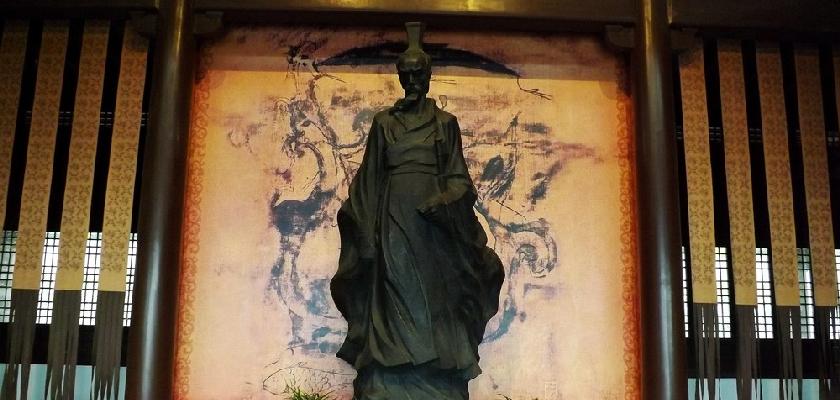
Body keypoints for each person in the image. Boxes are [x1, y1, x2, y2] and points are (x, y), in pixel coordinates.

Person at [330, 22, 505, 400]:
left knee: (434, 300)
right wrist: (367, 237)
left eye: (417, 75)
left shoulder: (445, 125)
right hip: (392, 221)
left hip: (433, 231)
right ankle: (388, 375)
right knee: (393, 293)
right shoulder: (384, 124)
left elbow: (460, 181)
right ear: (399, 77)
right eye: (405, 75)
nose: (411, 81)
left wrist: (443, 202)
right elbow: (368, 181)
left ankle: (435, 376)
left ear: (427, 77)